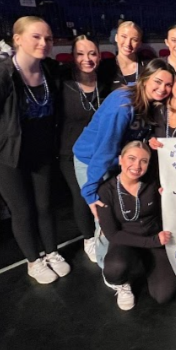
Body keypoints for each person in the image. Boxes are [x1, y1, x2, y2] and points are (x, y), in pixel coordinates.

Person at [73, 58, 174, 265]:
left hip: (118, 161)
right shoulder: (122, 104)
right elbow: (105, 150)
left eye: (168, 84)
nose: (162, 88)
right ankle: (107, 269)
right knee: (103, 216)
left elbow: (136, 138)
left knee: (120, 213)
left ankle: (124, 260)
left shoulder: (150, 102)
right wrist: (91, 191)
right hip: (93, 161)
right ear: (144, 79)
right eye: (157, 82)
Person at [0, 16, 70, 284]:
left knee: (45, 205)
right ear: (17, 39)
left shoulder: (49, 70)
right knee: (22, 210)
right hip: (9, 155)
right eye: (36, 37)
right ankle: (33, 260)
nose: (44, 43)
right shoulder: (4, 73)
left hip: (41, 151)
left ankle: (51, 251)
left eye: (48, 38)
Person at [97, 141, 176, 310]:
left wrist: (168, 198)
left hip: (154, 237)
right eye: (131, 158)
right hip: (126, 241)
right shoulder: (106, 190)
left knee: (164, 295)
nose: (136, 165)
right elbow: (113, 235)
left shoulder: (153, 183)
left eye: (144, 161)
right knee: (114, 269)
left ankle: (145, 264)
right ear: (120, 160)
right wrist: (153, 242)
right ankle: (123, 282)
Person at [58, 35, 110, 263]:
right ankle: (88, 238)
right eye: (80, 54)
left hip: (101, 152)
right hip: (71, 153)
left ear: (99, 56)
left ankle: (104, 236)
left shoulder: (106, 82)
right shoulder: (64, 83)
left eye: (92, 53)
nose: (87, 59)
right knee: (83, 197)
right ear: (73, 57)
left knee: (103, 196)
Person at [101, 21, 146, 90]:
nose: (128, 43)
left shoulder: (147, 66)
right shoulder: (104, 67)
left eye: (134, 39)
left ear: (140, 44)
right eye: (124, 37)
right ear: (116, 37)